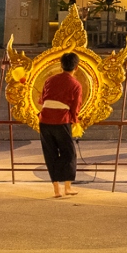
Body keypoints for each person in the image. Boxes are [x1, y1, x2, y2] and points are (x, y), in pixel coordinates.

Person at [38, 52, 82, 197]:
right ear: (76, 67)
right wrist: (75, 122)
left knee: (50, 153)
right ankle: (67, 187)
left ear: (61, 65)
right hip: (61, 120)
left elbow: (41, 100)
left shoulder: (49, 80)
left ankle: (56, 190)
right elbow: (75, 107)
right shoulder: (75, 84)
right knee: (69, 153)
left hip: (44, 120)